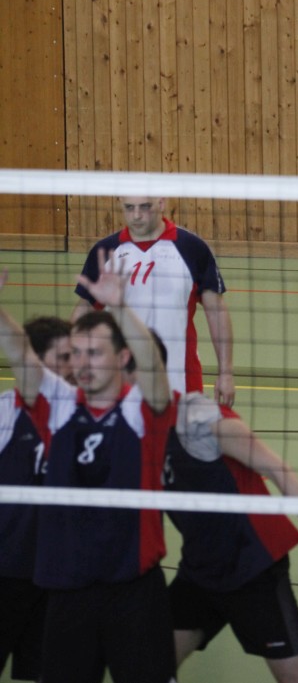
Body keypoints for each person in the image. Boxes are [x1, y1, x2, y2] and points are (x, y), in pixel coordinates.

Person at [0, 251, 177, 683]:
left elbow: (153, 366)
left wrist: (119, 307)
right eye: (76, 353)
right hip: (68, 588)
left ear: (121, 358)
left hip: (133, 588)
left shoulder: (140, 411)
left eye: (94, 353)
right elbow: (22, 355)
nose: (81, 363)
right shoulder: (60, 407)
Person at [164, 390, 298, 683]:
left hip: (253, 567)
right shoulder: (136, 431)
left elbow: (277, 469)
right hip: (200, 569)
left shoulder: (200, 418)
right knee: (148, 667)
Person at [72, 196, 235, 406]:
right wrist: (68, 365)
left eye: (145, 207)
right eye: (129, 207)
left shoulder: (191, 248)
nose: (136, 215)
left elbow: (216, 311)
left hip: (180, 381)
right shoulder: (106, 251)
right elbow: (83, 311)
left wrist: (226, 373)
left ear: (161, 203)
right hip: (121, 382)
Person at [0, 316, 72, 682]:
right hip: (5, 570)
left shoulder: (77, 410)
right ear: (36, 360)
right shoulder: (4, 412)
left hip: (53, 575)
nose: (73, 366)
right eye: (64, 357)